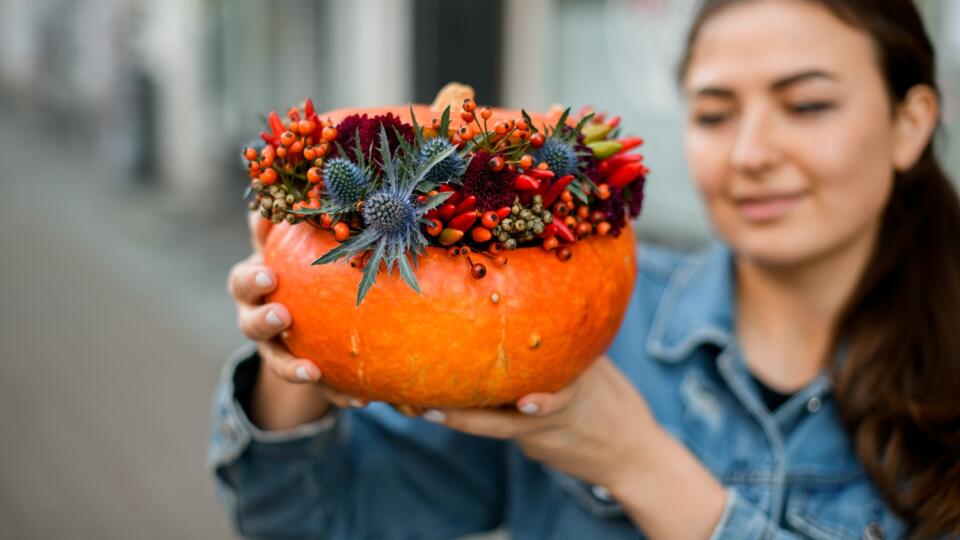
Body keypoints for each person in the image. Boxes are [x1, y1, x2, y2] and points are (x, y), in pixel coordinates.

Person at [209, 0, 960, 538]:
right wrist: (295, 351)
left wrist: (637, 464)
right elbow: (308, 520)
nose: (752, 152)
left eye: (806, 105)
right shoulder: (570, 330)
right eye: (713, 114)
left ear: (910, 123)